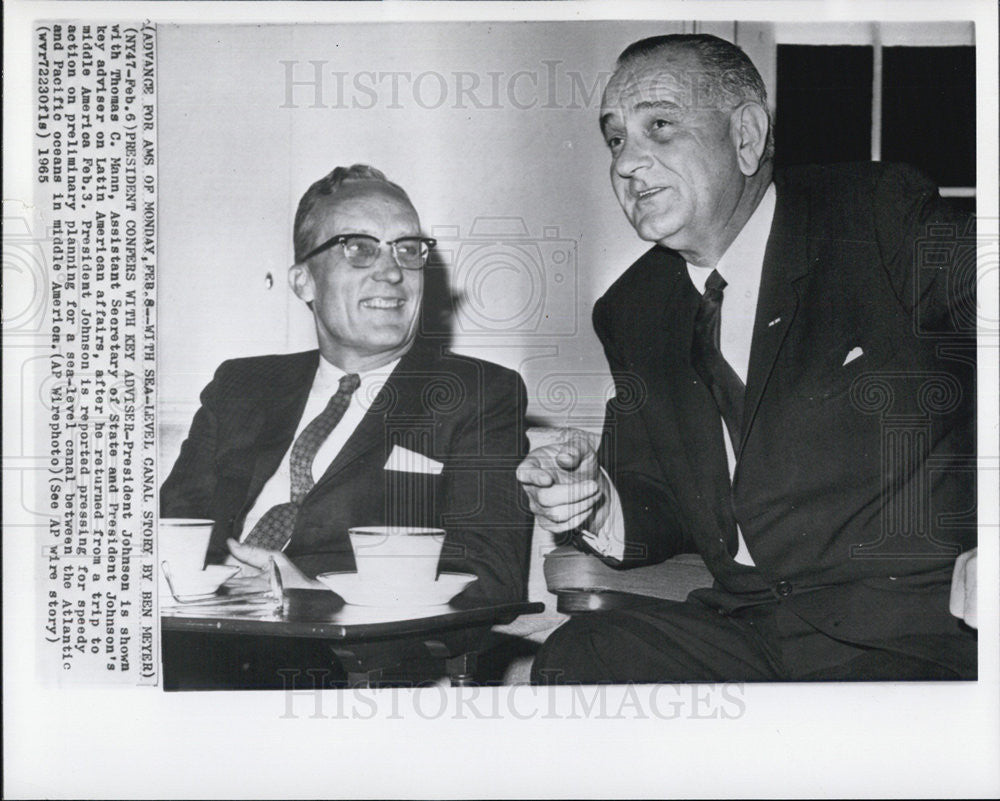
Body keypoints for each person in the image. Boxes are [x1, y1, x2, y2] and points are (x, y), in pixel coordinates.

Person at [519, 34, 978, 682]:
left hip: (906, 635)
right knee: (579, 657)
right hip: (748, 629)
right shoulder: (633, 309)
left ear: (747, 135)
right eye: (616, 138)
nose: (626, 163)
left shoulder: (877, 217)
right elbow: (662, 499)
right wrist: (592, 501)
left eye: (659, 125)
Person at [162, 164, 532, 609]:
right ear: (304, 282)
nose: (393, 273)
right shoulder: (241, 384)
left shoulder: (477, 393)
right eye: (359, 248)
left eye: (408, 249)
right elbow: (169, 532)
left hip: (352, 655)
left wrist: (312, 592)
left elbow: (492, 580)